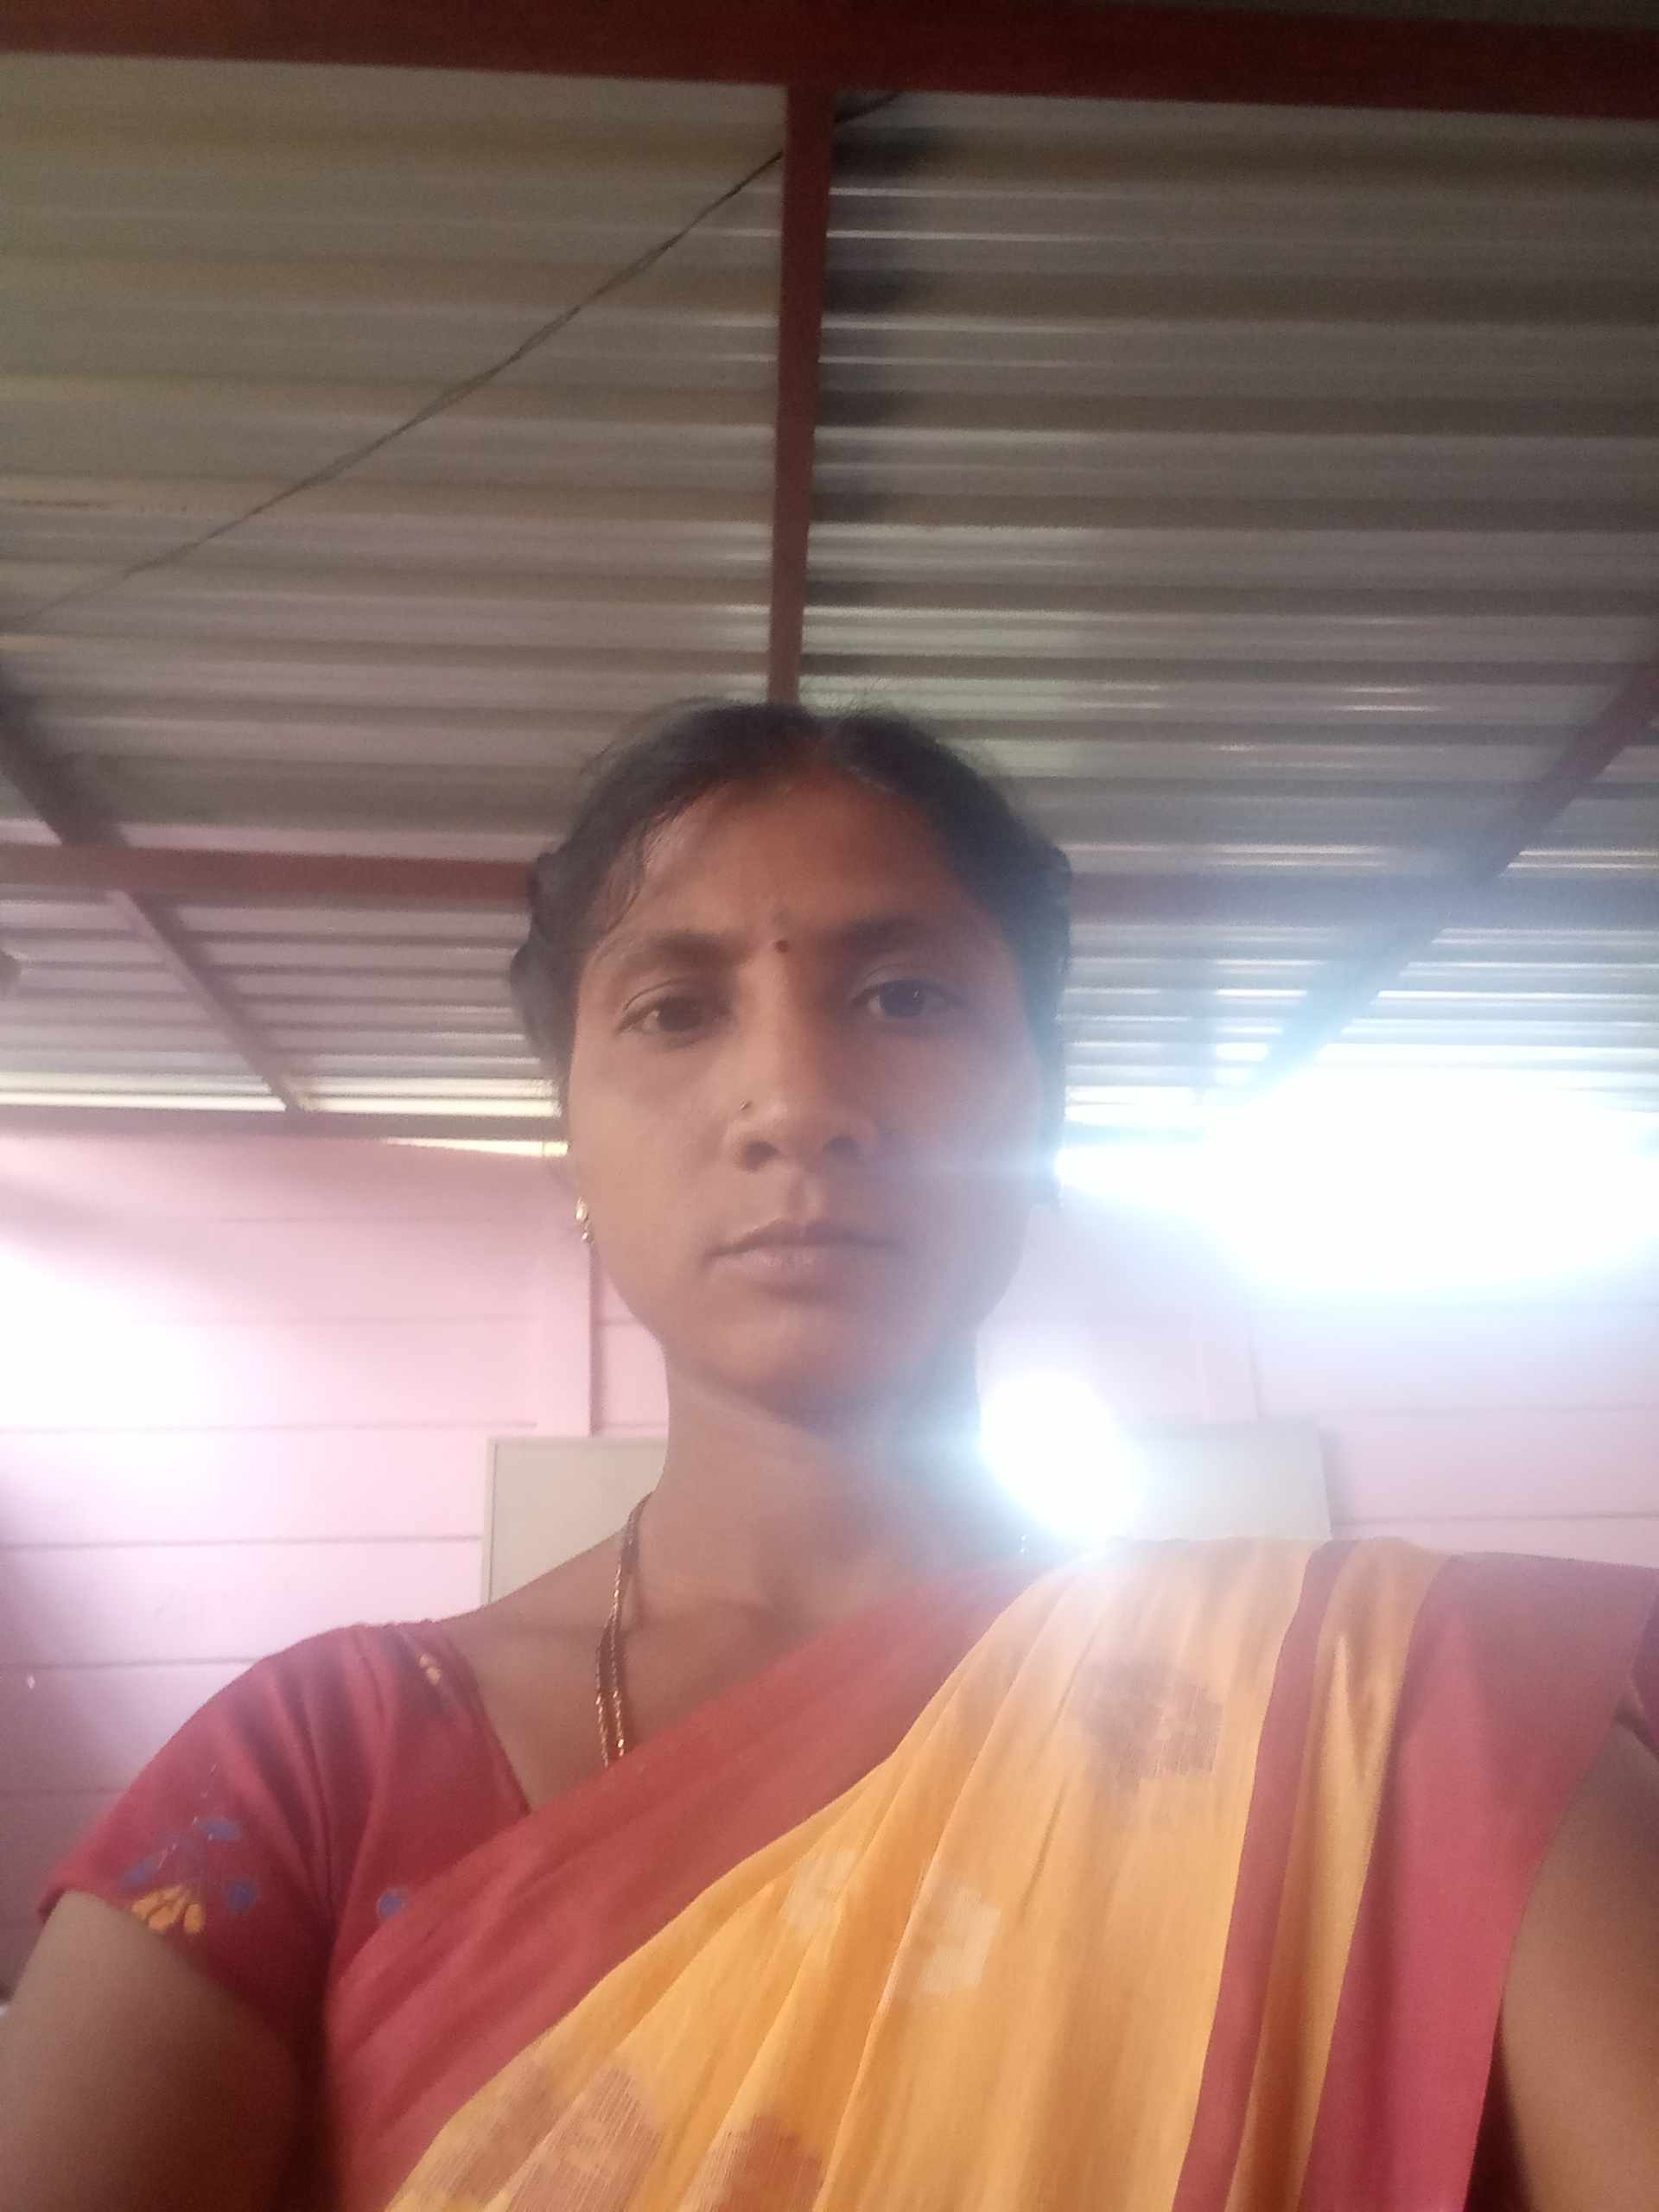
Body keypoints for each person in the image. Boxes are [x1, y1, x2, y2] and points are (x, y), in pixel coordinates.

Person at [3, 702, 1656, 2212]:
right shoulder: (312, 1779)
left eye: (905, 996)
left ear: (1042, 1104)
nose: (794, 1099)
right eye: (674, 1011)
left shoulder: (1403, 1713)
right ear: (570, 1137)